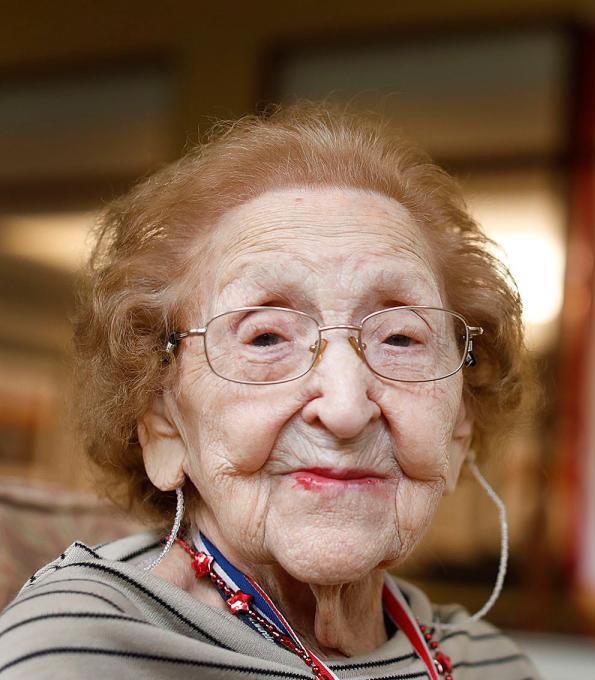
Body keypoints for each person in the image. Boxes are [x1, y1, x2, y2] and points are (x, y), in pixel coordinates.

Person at [0, 105, 540, 679]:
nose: (345, 407)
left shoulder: (492, 664)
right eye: (266, 338)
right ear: (162, 424)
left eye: (401, 338)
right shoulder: (80, 655)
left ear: (460, 427)